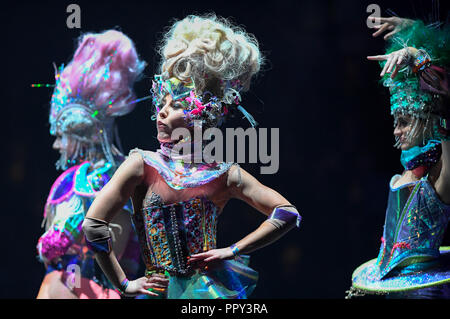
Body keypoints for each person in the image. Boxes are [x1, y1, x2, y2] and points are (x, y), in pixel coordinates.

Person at [82, 14, 301, 299]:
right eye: (162, 102)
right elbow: (93, 225)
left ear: (204, 115)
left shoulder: (222, 174)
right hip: (156, 292)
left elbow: (287, 213)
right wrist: (124, 285)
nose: (161, 111)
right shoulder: (142, 164)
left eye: (175, 106)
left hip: (205, 294)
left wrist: (232, 251)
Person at [36, 30, 145, 299]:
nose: (57, 146)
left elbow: (107, 251)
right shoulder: (79, 178)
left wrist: (63, 239)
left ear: (82, 134)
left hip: (88, 289)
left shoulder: (106, 178)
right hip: (85, 288)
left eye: (62, 136)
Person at [347, 16, 450, 298]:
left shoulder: (442, 174)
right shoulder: (416, 168)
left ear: (428, 116)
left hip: (419, 289)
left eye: (404, 121)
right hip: (387, 280)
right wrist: (417, 34)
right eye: (396, 121)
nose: (397, 131)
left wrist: (417, 55)